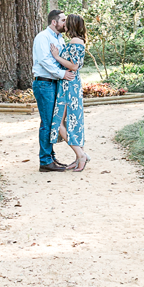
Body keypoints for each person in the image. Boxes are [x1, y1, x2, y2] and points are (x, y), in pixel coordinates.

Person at [32, 9, 76, 172]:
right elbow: (44, 61)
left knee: (54, 122)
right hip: (44, 84)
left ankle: (50, 157)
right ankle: (45, 161)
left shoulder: (60, 39)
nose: (66, 23)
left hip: (55, 84)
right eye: (63, 20)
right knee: (48, 122)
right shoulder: (42, 37)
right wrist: (62, 73)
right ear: (54, 22)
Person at [49, 14, 90, 171]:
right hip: (68, 84)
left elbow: (73, 66)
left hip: (69, 85)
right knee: (69, 122)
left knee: (58, 122)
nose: (64, 23)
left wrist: (56, 56)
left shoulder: (75, 42)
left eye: (66, 21)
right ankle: (78, 156)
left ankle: (81, 155)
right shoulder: (77, 41)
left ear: (71, 24)